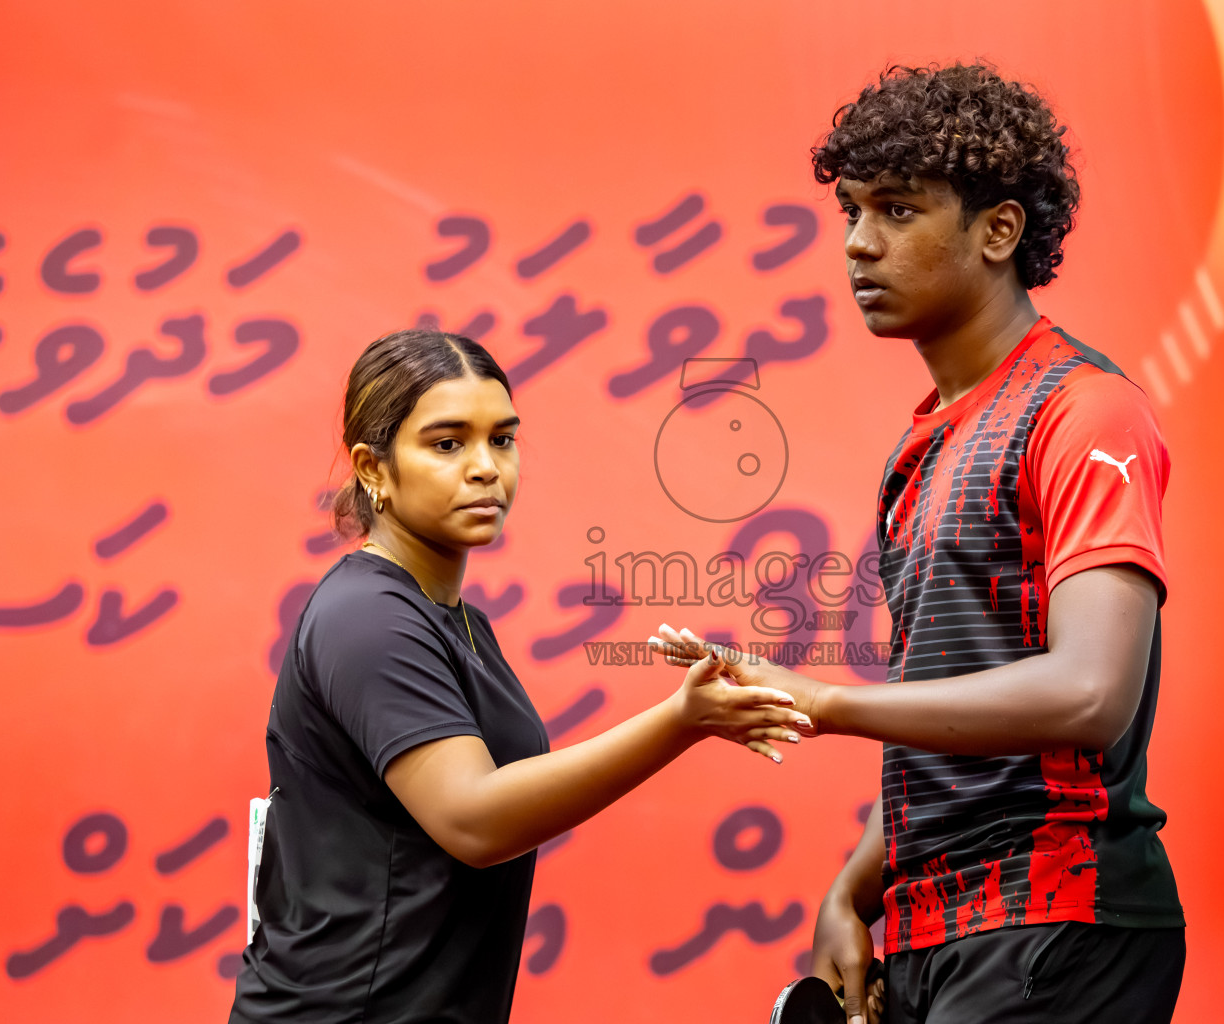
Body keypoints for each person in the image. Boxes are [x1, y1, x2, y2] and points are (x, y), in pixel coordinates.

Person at [652, 63, 1185, 1023]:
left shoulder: (1086, 412)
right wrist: (853, 891)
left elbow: (1090, 694)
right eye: (852, 211)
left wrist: (825, 702)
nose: (859, 243)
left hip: (1059, 919)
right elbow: (950, 711)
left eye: (898, 210)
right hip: (933, 928)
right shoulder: (922, 444)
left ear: (998, 231)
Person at [226, 329, 809, 1024]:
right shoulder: (367, 617)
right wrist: (680, 721)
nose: (486, 468)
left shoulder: (456, 620)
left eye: (502, 439)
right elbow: (473, 819)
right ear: (373, 467)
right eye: (448, 444)